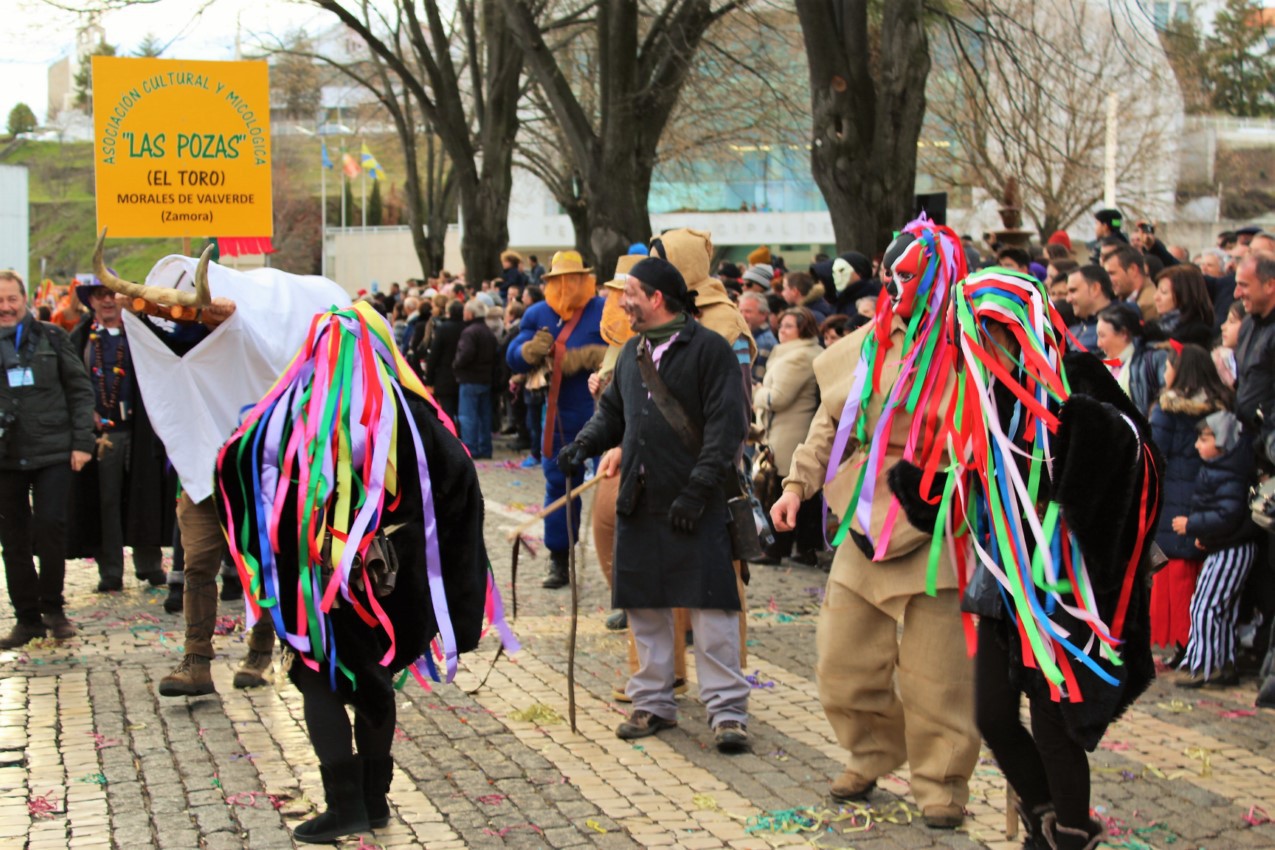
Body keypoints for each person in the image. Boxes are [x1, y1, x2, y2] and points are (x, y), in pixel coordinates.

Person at [216, 302, 508, 842]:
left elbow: (243, 463)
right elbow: (461, 483)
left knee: (319, 679)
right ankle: (373, 802)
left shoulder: (298, 415)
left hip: (330, 588)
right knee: (375, 680)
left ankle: (346, 806)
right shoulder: (414, 414)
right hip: (396, 588)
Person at [895, 267, 1160, 850]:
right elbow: (967, 489)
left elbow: (1132, 454)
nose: (981, 343)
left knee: (1054, 725)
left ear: (1019, 327)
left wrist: (1079, 441)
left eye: (990, 330)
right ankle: (1046, 816)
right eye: (975, 333)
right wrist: (924, 482)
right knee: (991, 714)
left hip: (1059, 589)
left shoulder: (1075, 379)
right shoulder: (983, 393)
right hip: (999, 580)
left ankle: (1069, 832)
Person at [771, 219, 979, 829]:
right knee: (841, 663)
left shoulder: (975, 351)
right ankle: (871, 750)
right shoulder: (865, 344)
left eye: (910, 274)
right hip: (862, 520)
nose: (896, 286)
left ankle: (941, 780)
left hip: (940, 523)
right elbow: (829, 425)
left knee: (938, 675)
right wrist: (795, 486)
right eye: (891, 275)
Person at [90, 237, 348, 696]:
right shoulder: (173, 337)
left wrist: (216, 316)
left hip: (259, 465)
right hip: (203, 467)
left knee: (265, 560)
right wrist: (149, 311)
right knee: (198, 560)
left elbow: (248, 346)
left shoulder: (244, 330)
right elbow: (170, 356)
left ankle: (260, 650)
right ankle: (196, 660)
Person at [557, 256, 751, 753]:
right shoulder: (630, 352)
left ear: (657, 298)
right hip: (640, 501)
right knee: (645, 609)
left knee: (710, 611)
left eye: (632, 294)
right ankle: (655, 703)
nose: (623, 303)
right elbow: (614, 414)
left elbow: (726, 429)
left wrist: (698, 488)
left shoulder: (709, 351)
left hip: (696, 504)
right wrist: (583, 444)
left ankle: (727, 713)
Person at [0, 269, 94, 647]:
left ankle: (54, 608)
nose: (5, 307)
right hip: (6, 455)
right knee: (13, 539)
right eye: (0, 301)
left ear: (26, 301)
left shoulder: (51, 337)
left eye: (11, 299)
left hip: (55, 450)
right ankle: (27, 618)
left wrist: (83, 442)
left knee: (52, 528)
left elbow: (79, 388)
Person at [506, 251, 606, 589]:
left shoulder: (602, 309)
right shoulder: (537, 313)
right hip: (560, 414)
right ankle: (559, 559)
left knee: (616, 488)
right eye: (559, 279)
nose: (567, 285)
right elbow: (513, 354)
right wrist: (529, 350)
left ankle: (620, 564)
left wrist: (597, 358)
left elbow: (626, 345)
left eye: (573, 278)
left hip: (605, 411)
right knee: (560, 484)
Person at [67, 276, 173, 593]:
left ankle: (149, 564)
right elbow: (72, 382)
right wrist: (86, 413)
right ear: (91, 302)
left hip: (140, 430)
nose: (108, 300)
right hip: (103, 435)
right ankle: (110, 570)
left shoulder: (140, 333)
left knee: (144, 495)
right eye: (100, 295)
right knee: (107, 501)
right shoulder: (80, 338)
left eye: (112, 293)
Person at [1149, 343, 1233, 667]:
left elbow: (1155, 451)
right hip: (1207, 496)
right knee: (1195, 578)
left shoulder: (1168, 409)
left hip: (1174, 502)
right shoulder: (1221, 407)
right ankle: (1194, 645)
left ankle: (1183, 644)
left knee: (1176, 579)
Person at [1172, 410, 1259, 688]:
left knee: (1206, 607)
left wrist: (1194, 525)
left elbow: (1227, 515)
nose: (1198, 445)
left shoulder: (1230, 472)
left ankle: (1205, 666)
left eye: (1204, 439)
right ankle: (1222, 663)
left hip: (1231, 550)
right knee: (1219, 608)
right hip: (1225, 546)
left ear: (1222, 441)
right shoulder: (1223, 469)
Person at [752, 307, 822, 566]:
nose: (782, 330)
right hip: (785, 428)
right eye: (780, 325)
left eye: (789, 326)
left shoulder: (800, 357)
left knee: (781, 488)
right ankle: (802, 548)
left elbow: (778, 398)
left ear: (803, 330)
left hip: (790, 431)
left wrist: (756, 392)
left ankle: (778, 549)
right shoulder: (797, 352)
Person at [1096, 303, 1167, 416]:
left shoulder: (1153, 359)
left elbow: (1166, 397)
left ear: (1124, 333)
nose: (1098, 344)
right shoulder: (1100, 366)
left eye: (1102, 336)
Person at [453, 299, 498, 459]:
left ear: (470, 313)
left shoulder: (470, 332)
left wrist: (456, 364)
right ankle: (485, 448)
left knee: (468, 417)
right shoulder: (488, 331)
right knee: (484, 416)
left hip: (470, 378)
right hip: (485, 378)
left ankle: (470, 449)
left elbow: (466, 354)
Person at [424, 301, 464, 426]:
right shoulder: (466, 327)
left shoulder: (443, 329)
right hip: (462, 376)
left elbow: (434, 355)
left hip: (444, 377)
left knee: (447, 413)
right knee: (462, 412)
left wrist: (429, 379)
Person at [1065, 265, 1114, 352]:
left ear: (1095, 289)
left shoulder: (1119, 324)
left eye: (1073, 291)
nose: (1068, 299)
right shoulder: (1071, 331)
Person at [1104, 245, 1158, 320]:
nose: (1108, 279)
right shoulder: (1127, 299)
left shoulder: (1149, 306)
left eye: (1112, 273)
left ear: (1133, 270)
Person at [737, 292, 776, 383]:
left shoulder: (765, 343)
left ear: (764, 315)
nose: (742, 316)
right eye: (740, 311)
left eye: (748, 311)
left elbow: (757, 380)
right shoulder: (748, 336)